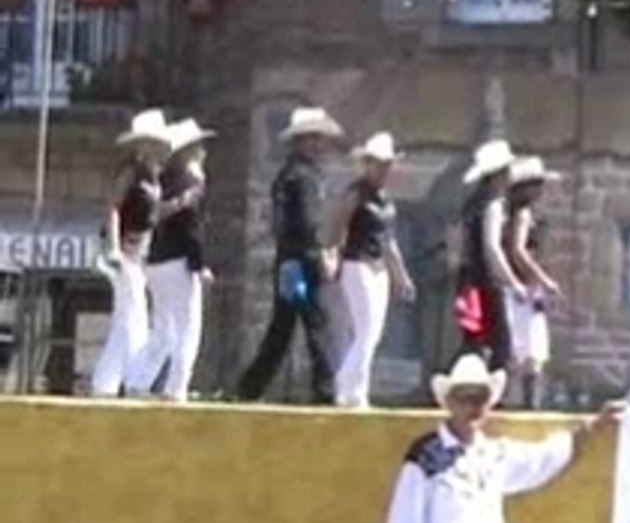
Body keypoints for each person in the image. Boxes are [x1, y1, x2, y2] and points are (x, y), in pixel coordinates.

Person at [384, 353, 622, 523]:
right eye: (465, 397)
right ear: (450, 402)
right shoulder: (425, 458)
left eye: (481, 398)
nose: (473, 406)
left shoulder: (494, 456)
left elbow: (542, 458)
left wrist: (594, 426)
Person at [236, 107, 344, 404]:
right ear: (304, 141)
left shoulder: (290, 175)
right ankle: (325, 391)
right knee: (314, 323)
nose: (320, 145)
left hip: (290, 260)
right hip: (303, 260)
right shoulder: (303, 177)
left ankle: (250, 387)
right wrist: (322, 253)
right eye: (315, 139)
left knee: (283, 329)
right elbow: (309, 221)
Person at [126, 118, 215, 402]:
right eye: (199, 145)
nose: (204, 149)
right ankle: (176, 388)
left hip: (156, 258)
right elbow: (192, 226)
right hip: (178, 260)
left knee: (163, 327)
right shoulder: (193, 181)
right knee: (188, 328)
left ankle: (137, 380)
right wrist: (199, 264)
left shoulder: (164, 179)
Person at [331, 132, 415, 408]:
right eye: (377, 163)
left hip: (378, 267)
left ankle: (358, 391)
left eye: (386, 164)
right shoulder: (356, 193)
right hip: (357, 262)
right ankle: (345, 383)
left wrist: (400, 274)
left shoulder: (386, 200)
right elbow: (339, 225)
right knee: (365, 328)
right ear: (367, 164)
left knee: (373, 332)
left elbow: (389, 240)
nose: (383, 169)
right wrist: (334, 255)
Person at [91, 109, 169, 397]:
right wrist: (113, 247)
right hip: (122, 249)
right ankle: (135, 381)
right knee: (132, 314)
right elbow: (113, 207)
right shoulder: (131, 172)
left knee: (127, 316)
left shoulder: (153, 177)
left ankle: (105, 383)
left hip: (139, 253)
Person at [456, 140, 527, 372]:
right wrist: (514, 283)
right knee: (499, 345)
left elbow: (461, 245)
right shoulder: (493, 206)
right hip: (484, 282)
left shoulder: (471, 204)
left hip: (467, 279)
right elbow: (492, 248)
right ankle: (492, 398)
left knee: (474, 340)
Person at [504, 156, 562, 410]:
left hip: (523, 287)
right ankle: (528, 406)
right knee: (528, 352)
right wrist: (543, 279)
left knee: (528, 351)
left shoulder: (514, 213)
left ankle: (526, 403)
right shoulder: (522, 215)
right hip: (522, 287)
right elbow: (518, 250)